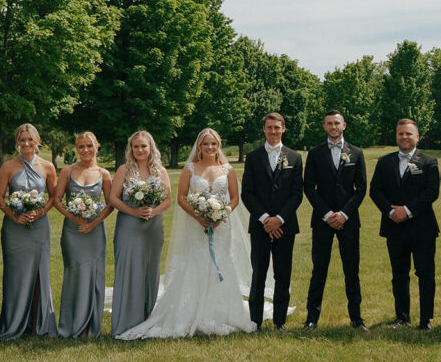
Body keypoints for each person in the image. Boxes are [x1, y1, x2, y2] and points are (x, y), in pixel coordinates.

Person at [117, 128, 257, 339]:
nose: (210, 147)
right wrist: (198, 216)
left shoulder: (227, 169)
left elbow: (235, 198)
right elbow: (181, 197)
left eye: (214, 144)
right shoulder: (190, 168)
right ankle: (189, 312)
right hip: (196, 225)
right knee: (195, 264)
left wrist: (221, 214)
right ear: (199, 146)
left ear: (219, 145)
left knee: (221, 263)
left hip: (222, 227)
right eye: (205, 144)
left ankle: (220, 313)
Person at [369, 119, 440, 330]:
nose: (404, 137)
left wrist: (407, 211)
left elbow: (431, 192)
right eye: (401, 134)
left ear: (417, 137)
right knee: (399, 274)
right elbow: (375, 191)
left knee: (425, 274)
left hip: (422, 227)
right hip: (394, 227)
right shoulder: (385, 161)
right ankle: (401, 317)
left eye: (409, 134)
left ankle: (425, 320)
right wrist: (391, 211)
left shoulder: (428, 162)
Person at [302, 110, 367, 331]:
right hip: (323, 221)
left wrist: (344, 214)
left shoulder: (356, 153)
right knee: (319, 269)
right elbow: (309, 187)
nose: (333, 126)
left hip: (349, 221)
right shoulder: (315, 153)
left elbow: (361, 189)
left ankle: (356, 319)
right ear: (324, 126)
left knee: (352, 269)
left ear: (344, 125)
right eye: (329, 123)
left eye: (336, 123)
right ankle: (311, 318)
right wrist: (328, 214)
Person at [241, 112, 304, 330]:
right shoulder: (253, 156)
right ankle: (255, 321)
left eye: (277, 127)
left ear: (283, 128)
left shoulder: (294, 157)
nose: (273, 132)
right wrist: (266, 219)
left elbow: (297, 194)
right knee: (258, 274)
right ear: (264, 130)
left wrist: (279, 219)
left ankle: (279, 322)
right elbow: (247, 193)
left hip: (285, 227)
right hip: (260, 226)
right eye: (269, 128)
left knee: (282, 274)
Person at [0, 123, 58, 339]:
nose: (27, 143)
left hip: (39, 228)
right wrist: (14, 215)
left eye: (30, 139)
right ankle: (15, 323)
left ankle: (37, 325)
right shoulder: (8, 166)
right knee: (15, 276)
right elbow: (0, 197)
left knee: (40, 275)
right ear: (17, 143)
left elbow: (53, 197)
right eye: (22, 140)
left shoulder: (48, 167)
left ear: (37, 141)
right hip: (14, 228)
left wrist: (40, 213)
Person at [109, 130, 173, 337]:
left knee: (150, 270)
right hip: (129, 225)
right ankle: (126, 321)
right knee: (129, 269)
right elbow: (114, 199)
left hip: (153, 228)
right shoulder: (124, 170)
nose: (139, 150)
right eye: (136, 146)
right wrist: (134, 211)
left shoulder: (160, 171)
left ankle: (147, 318)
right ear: (131, 149)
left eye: (143, 146)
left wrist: (152, 211)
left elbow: (168, 200)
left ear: (150, 147)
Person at [54, 131, 113, 339]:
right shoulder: (67, 171)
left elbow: (110, 203)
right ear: (76, 148)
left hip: (95, 232)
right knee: (75, 273)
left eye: (89, 146)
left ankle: (91, 326)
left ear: (97, 146)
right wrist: (73, 218)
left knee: (94, 276)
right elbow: (57, 199)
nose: (85, 150)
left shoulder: (104, 174)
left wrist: (94, 222)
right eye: (81, 146)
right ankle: (71, 325)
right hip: (73, 231)